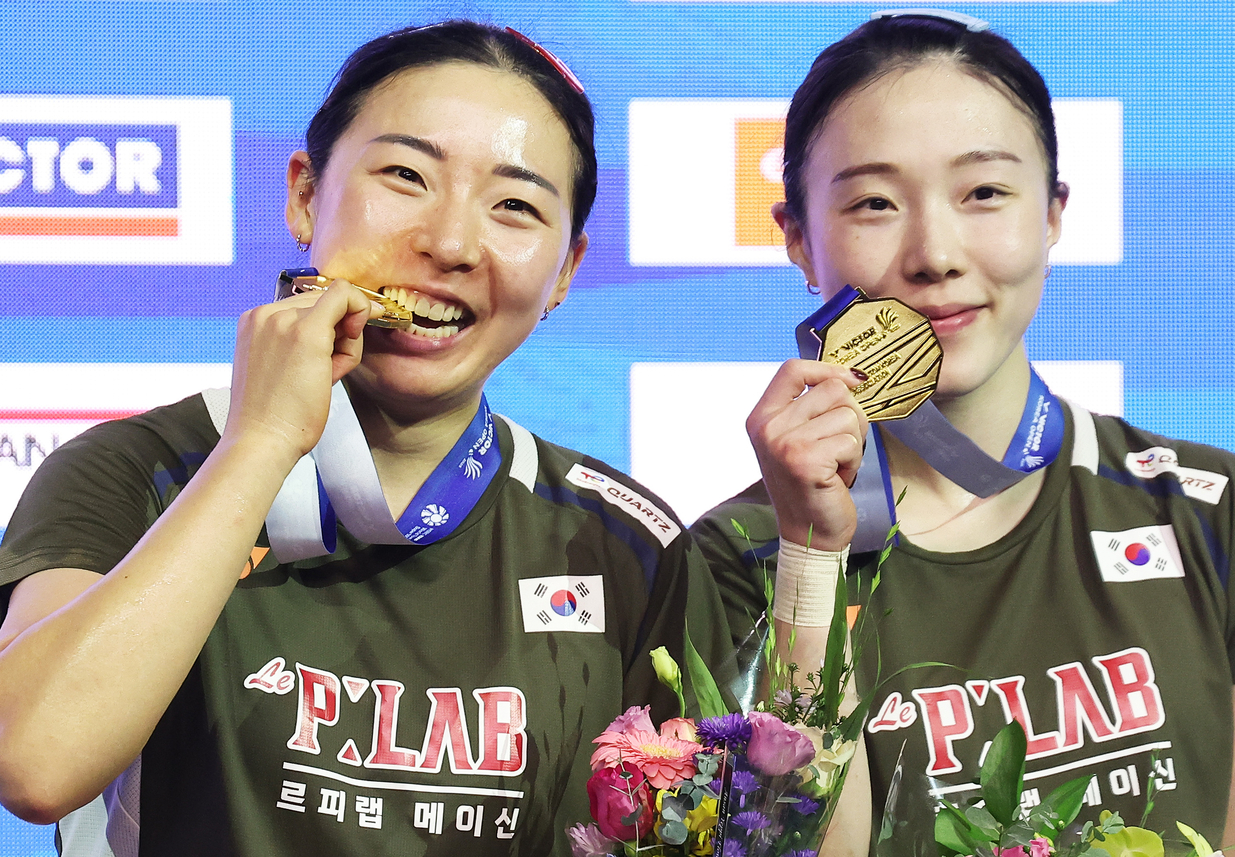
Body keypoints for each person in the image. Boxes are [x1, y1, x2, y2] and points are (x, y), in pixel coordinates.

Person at [0, 21, 734, 856]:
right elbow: (33, 762)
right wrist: (261, 442)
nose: (450, 243)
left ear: (566, 270)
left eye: (516, 206)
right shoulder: (139, 470)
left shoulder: (624, 545)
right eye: (406, 175)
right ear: (305, 195)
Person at [693, 10, 1235, 854]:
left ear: (1051, 214)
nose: (935, 252)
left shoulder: (1216, 514)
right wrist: (812, 559)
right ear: (796, 240)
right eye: (874, 202)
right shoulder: (733, 561)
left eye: (985, 193)